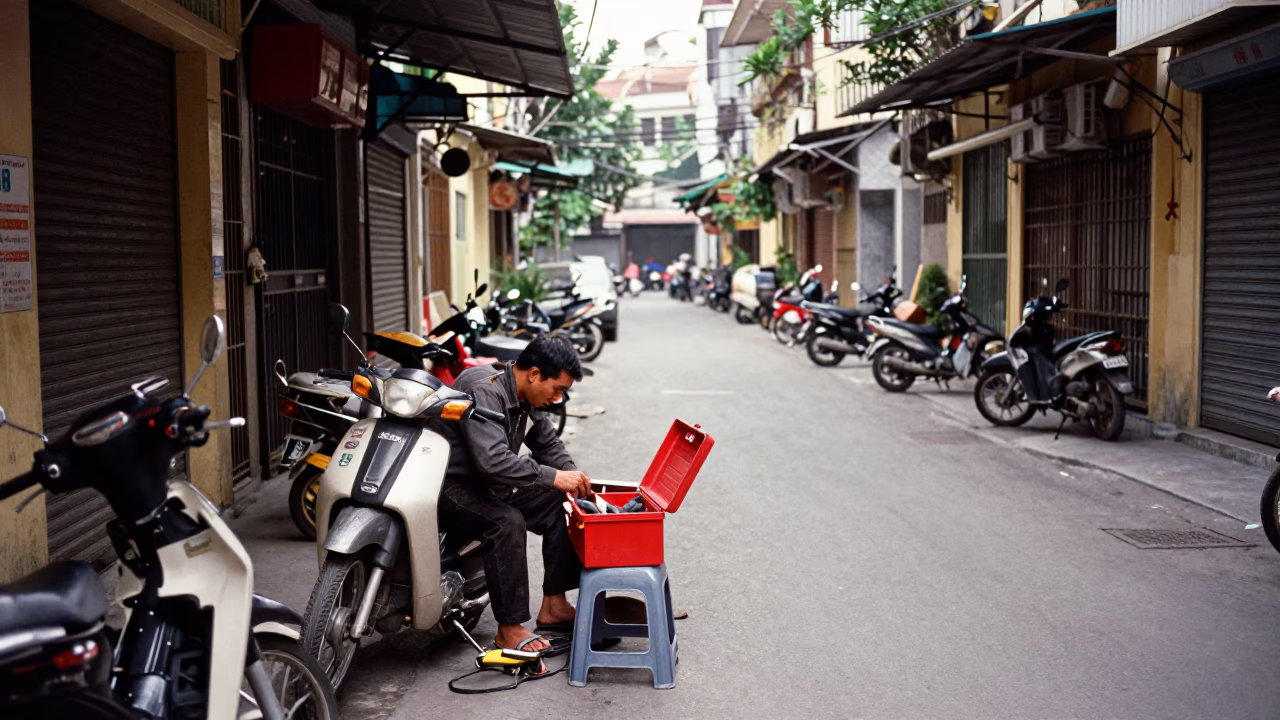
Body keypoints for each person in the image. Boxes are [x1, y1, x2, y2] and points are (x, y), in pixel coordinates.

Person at [434, 336, 591, 653]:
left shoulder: (528, 399)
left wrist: (571, 478)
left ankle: (554, 605)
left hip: (491, 485)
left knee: (560, 503)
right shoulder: (484, 390)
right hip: (450, 488)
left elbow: (547, 445)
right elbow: (492, 461)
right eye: (557, 389)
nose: (558, 398)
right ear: (534, 374)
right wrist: (554, 476)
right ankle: (509, 628)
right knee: (507, 521)